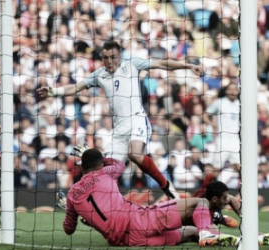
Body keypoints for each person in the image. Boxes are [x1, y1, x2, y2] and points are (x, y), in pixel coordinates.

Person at [38, 40, 204, 199]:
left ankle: (166, 186)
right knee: (103, 172)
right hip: (118, 131)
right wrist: (53, 92)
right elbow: (75, 87)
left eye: (113, 57)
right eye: (105, 58)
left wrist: (188, 66)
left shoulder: (132, 64)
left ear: (119, 56)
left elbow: (161, 64)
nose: (109, 61)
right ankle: (98, 206)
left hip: (137, 120)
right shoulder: (99, 75)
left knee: (134, 154)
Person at [62, 148, 239, 247]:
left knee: (191, 234)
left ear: (81, 166)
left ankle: (234, 241)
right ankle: (208, 231)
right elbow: (119, 164)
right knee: (200, 202)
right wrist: (104, 159)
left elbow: (69, 229)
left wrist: (78, 215)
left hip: (126, 241)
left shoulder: (71, 195)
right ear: (99, 164)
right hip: (139, 220)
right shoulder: (105, 173)